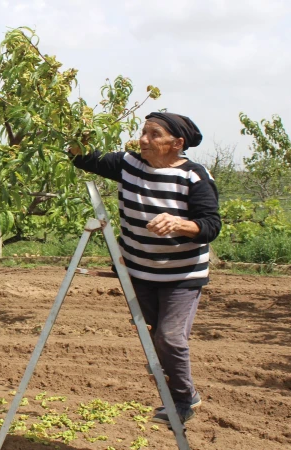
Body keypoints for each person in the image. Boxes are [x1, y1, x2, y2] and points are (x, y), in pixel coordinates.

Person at [67, 112, 221, 424]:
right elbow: (83, 158)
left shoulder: (195, 176)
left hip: (182, 275)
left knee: (170, 337)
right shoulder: (128, 164)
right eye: (143, 132)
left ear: (176, 143)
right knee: (153, 336)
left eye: (153, 134)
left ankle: (184, 398)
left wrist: (179, 223)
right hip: (138, 272)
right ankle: (170, 381)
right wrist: (67, 125)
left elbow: (210, 225)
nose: (143, 140)